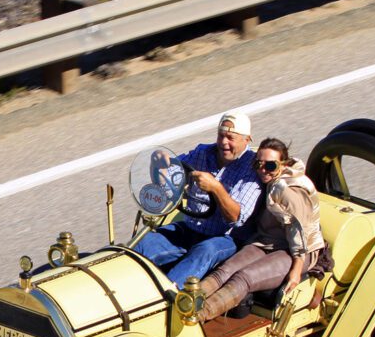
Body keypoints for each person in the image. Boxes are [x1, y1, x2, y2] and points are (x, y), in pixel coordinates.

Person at [197, 137, 330, 321]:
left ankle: (199, 316)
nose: (262, 170)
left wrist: (296, 270)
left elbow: (299, 232)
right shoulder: (269, 182)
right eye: (258, 164)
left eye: (270, 166)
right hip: (266, 242)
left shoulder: (286, 190)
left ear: (283, 164)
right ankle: (187, 302)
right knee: (224, 271)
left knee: (244, 278)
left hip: (295, 251)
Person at [132, 111, 261, 288]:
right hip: (190, 228)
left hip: (225, 238)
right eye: (221, 135)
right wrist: (159, 165)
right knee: (145, 244)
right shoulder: (202, 152)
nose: (224, 142)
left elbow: (235, 217)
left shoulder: (252, 168)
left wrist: (216, 187)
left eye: (230, 138)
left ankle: (166, 295)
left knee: (204, 252)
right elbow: (170, 185)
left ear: (246, 139)